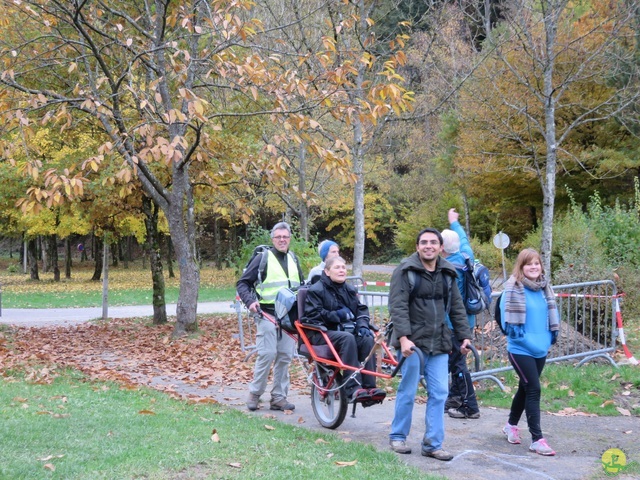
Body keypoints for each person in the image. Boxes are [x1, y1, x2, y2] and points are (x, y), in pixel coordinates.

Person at [388, 227, 472, 461]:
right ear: (417, 247)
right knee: (408, 389)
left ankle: (433, 444)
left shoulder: (448, 272)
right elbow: (398, 306)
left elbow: (456, 306)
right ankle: (397, 436)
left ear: (440, 247)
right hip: (413, 343)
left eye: (433, 242)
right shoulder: (406, 271)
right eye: (424, 242)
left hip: (439, 342)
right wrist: (403, 338)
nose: (428, 246)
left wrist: (465, 336)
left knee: (440, 393)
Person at [236, 221, 304, 412]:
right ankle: (255, 394)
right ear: (272, 239)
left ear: (290, 238)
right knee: (267, 354)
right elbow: (243, 284)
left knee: (285, 356)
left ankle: (279, 398)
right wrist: (250, 302)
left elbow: (301, 286)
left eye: (285, 237)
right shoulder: (263, 258)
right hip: (265, 313)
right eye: (278, 237)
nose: (282, 240)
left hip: (289, 318)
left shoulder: (293, 259)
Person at [499, 247, 559, 456]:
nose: (534, 267)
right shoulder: (512, 290)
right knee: (534, 389)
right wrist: (531, 343)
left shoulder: (545, 289)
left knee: (525, 389)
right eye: (529, 263)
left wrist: (549, 338)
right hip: (520, 349)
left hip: (541, 348)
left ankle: (511, 425)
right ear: (521, 267)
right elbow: (508, 327)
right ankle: (537, 439)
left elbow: (552, 317)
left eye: (536, 263)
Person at [303, 255, 386, 404]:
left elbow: (361, 310)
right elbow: (312, 316)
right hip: (321, 333)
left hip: (344, 331)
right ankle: (352, 389)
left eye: (343, 267)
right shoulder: (316, 290)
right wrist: (337, 315)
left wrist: (362, 325)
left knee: (367, 338)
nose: (341, 270)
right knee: (348, 338)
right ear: (327, 272)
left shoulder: (349, 289)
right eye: (337, 267)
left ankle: (369, 389)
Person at [440, 208, 481, 419]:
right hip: (469, 320)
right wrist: (454, 222)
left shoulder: (448, 268)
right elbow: (464, 239)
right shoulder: (466, 256)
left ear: (442, 248)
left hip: (454, 323)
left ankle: (470, 406)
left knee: (456, 363)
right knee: (455, 361)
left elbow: (448, 302)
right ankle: (454, 399)